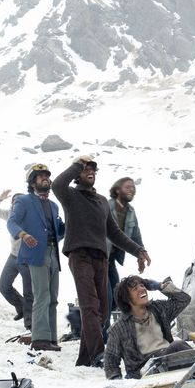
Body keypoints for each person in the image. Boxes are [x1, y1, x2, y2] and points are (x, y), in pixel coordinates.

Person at [52, 155, 150, 367]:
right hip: (80, 255)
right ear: (78, 175)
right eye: (86, 169)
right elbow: (57, 184)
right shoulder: (70, 195)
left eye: (93, 170)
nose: (90, 172)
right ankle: (99, 354)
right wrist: (78, 164)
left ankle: (85, 359)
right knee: (90, 306)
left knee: (103, 312)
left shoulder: (101, 202)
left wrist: (138, 250)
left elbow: (114, 232)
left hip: (101, 257)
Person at [7, 164, 66, 351]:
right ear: (33, 183)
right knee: (42, 295)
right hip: (35, 254)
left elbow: (59, 231)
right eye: (40, 176)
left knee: (53, 297)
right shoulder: (24, 201)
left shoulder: (54, 206)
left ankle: (51, 338)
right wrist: (23, 235)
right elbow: (12, 222)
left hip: (53, 253)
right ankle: (40, 339)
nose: (45, 179)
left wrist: (68, 225)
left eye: (47, 176)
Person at [103, 276, 191, 380]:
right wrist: (116, 380)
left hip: (168, 360)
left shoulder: (158, 309)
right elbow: (110, 360)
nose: (142, 289)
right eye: (135, 289)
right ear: (126, 299)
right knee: (177, 345)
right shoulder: (118, 328)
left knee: (179, 347)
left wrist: (160, 286)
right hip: (144, 373)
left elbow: (184, 300)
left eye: (142, 285)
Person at [0, 188, 33, 329]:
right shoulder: (10, 214)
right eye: (14, 202)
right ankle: (22, 308)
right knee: (4, 286)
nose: (15, 205)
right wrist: (0, 198)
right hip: (13, 256)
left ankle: (30, 324)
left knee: (29, 292)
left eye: (18, 202)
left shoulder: (30, 216)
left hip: (27, 258)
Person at [105, 177, 144, 330]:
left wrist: (141, 254)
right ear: (117, 190)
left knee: (117, 293)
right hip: (100, 256)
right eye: (127, 187)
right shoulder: (106, 206)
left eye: (133, 187)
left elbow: (135, 235)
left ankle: (111, 328)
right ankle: (104, 332)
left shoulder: (130, 211)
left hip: (112, 258)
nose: (131, 189)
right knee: (106, 294)